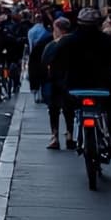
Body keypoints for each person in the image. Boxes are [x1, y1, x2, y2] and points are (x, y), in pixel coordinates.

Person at [52, 6, 111, 154]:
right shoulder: (108, 41)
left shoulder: (67, 41)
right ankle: (110, 136)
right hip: (103, 85)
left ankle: (71, 133)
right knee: (110, 106)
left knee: (68, 105)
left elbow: (56, 62)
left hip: (75, 85)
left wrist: (58, 75)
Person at [40, 18, 75, 149]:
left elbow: (44, 62)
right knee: (69, 109)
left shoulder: (53, 45)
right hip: (71, 80)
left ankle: (55, 136)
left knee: (54, 110)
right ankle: (70, 134)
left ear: (58, 30)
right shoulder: (75, 42)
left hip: (55, 80)